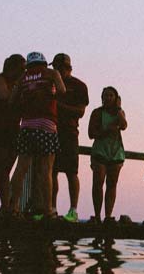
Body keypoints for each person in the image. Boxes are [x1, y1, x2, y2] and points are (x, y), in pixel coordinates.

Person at [8, 51, 66, 220]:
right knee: (46, 170)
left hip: (26, 125)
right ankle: (48, 211)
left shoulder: (23, 78)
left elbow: (12, 101)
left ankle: (13, 207)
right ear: (44, 62)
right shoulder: (51, 73)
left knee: (21, 168)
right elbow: (62, 91)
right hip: (47, 124)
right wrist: (50, 94)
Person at [0, 54, 26, 218]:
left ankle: (6, 207)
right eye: (22, 68)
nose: (24, 72)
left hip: (13, 128)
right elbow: (6, 98)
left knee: (6, 170)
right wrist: (21, 85)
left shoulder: (19, 85)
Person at [49, 53, 89, 223]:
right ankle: (52, 209)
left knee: (72, 172)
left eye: (59, 68)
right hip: (51, 132)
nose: (56, 70)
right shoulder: (49, 83)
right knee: (52, 172)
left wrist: (59, 106)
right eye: (54, 68)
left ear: (68, 68)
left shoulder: (79, 86)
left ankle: (73, 211)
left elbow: (80, 112)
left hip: (70, 133)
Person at [88, 86, 127, 224]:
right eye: (105, 95)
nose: (108, 98)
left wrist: (118, 109)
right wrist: (106, 130)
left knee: (112, 184)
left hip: (115, 152)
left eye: (111, 95)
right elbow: (91, 133)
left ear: (116, 98)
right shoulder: (97, 113)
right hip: (100, 151)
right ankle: (97, 216)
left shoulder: (119, 112)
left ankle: (108, 216)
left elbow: (124, 125)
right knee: (98, 183)